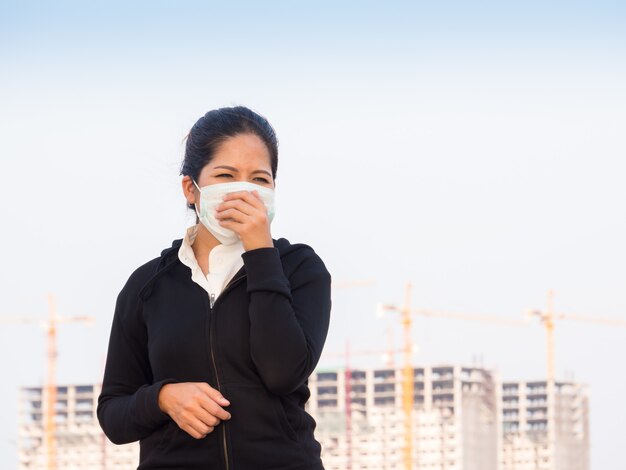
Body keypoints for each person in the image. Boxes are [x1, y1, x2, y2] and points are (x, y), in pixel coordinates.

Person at [97, 106, 332, 470]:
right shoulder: (147, 286)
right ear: (191, 188)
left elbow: (283, 371)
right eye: (226, 175)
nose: (244, 190)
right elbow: (113, 414)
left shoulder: (299, 268)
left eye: (259, 179)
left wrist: (260, 252)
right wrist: (162, 398)